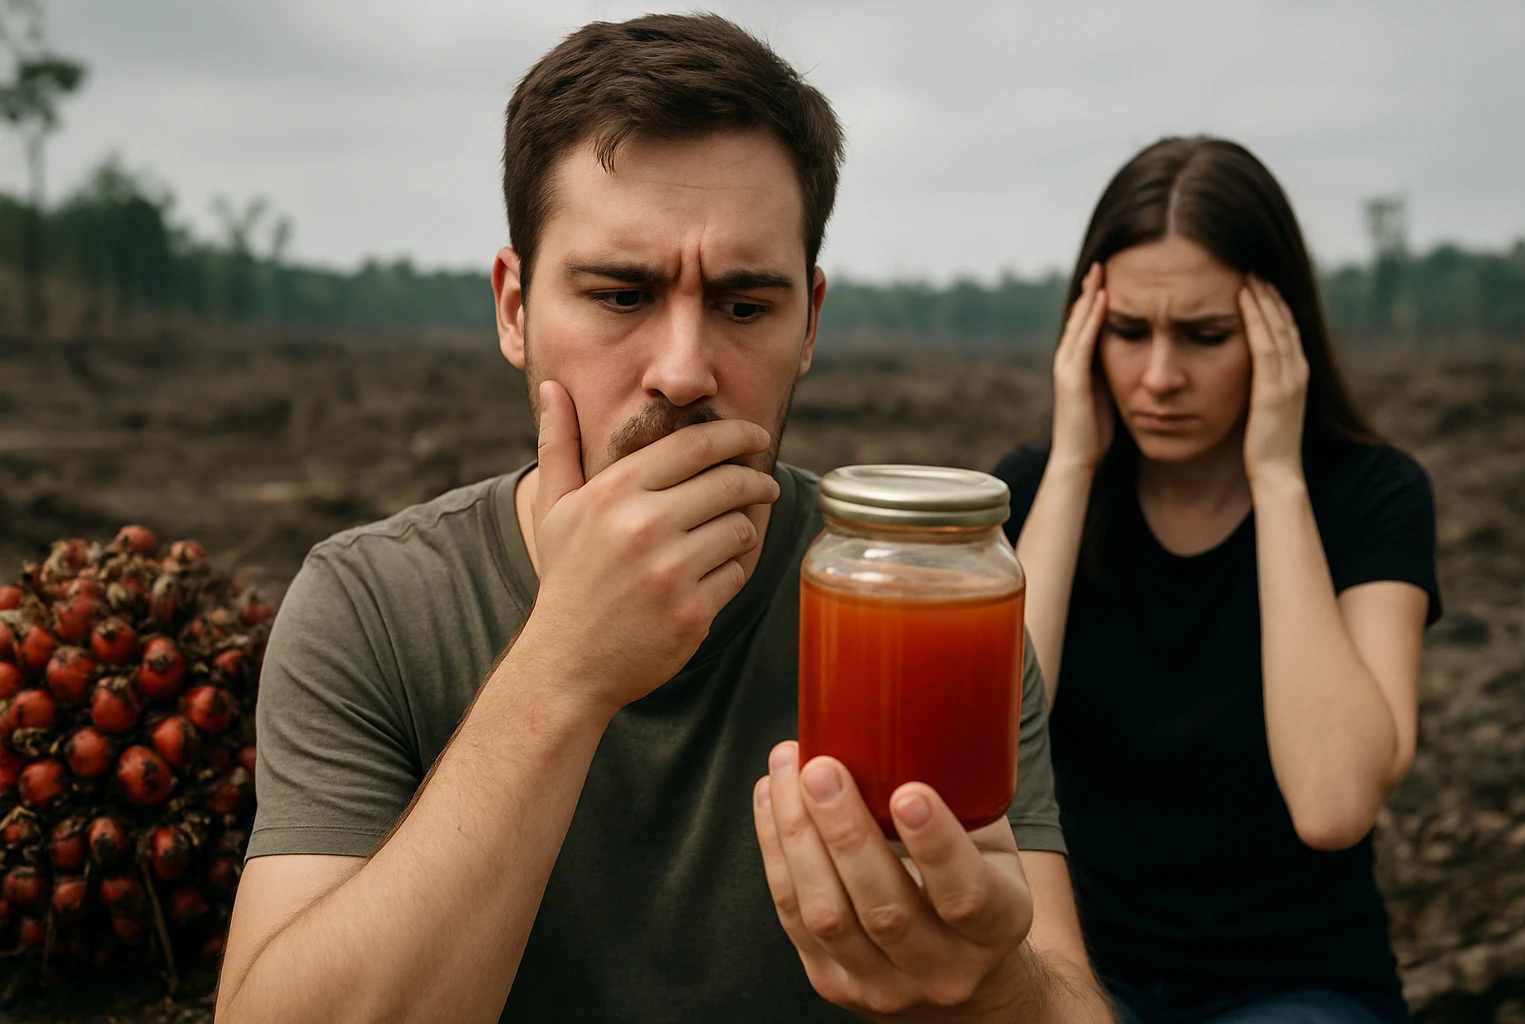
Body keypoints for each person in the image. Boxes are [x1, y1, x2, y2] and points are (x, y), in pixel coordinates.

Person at [214, 14, 1113, 1024]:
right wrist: (564, 667)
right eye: (622, 293)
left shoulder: (927, 597)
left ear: (810, 321)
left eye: (743, 306)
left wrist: (993, 986)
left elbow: (1066, 994)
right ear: (514, 308)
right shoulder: (372, 605)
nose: (684, 370)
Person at [991, 135, 1441, 1024]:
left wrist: (1277, 475)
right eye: (1128, 332)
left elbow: (1334, 803)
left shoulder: (1373, 496)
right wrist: (1074, 460)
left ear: (1280, 333)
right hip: (1078, 979)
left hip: (1298, 989)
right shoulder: (1042, 489)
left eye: (1204, 336)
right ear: (1087, 332)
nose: (1159, 377)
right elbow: (989, 745)